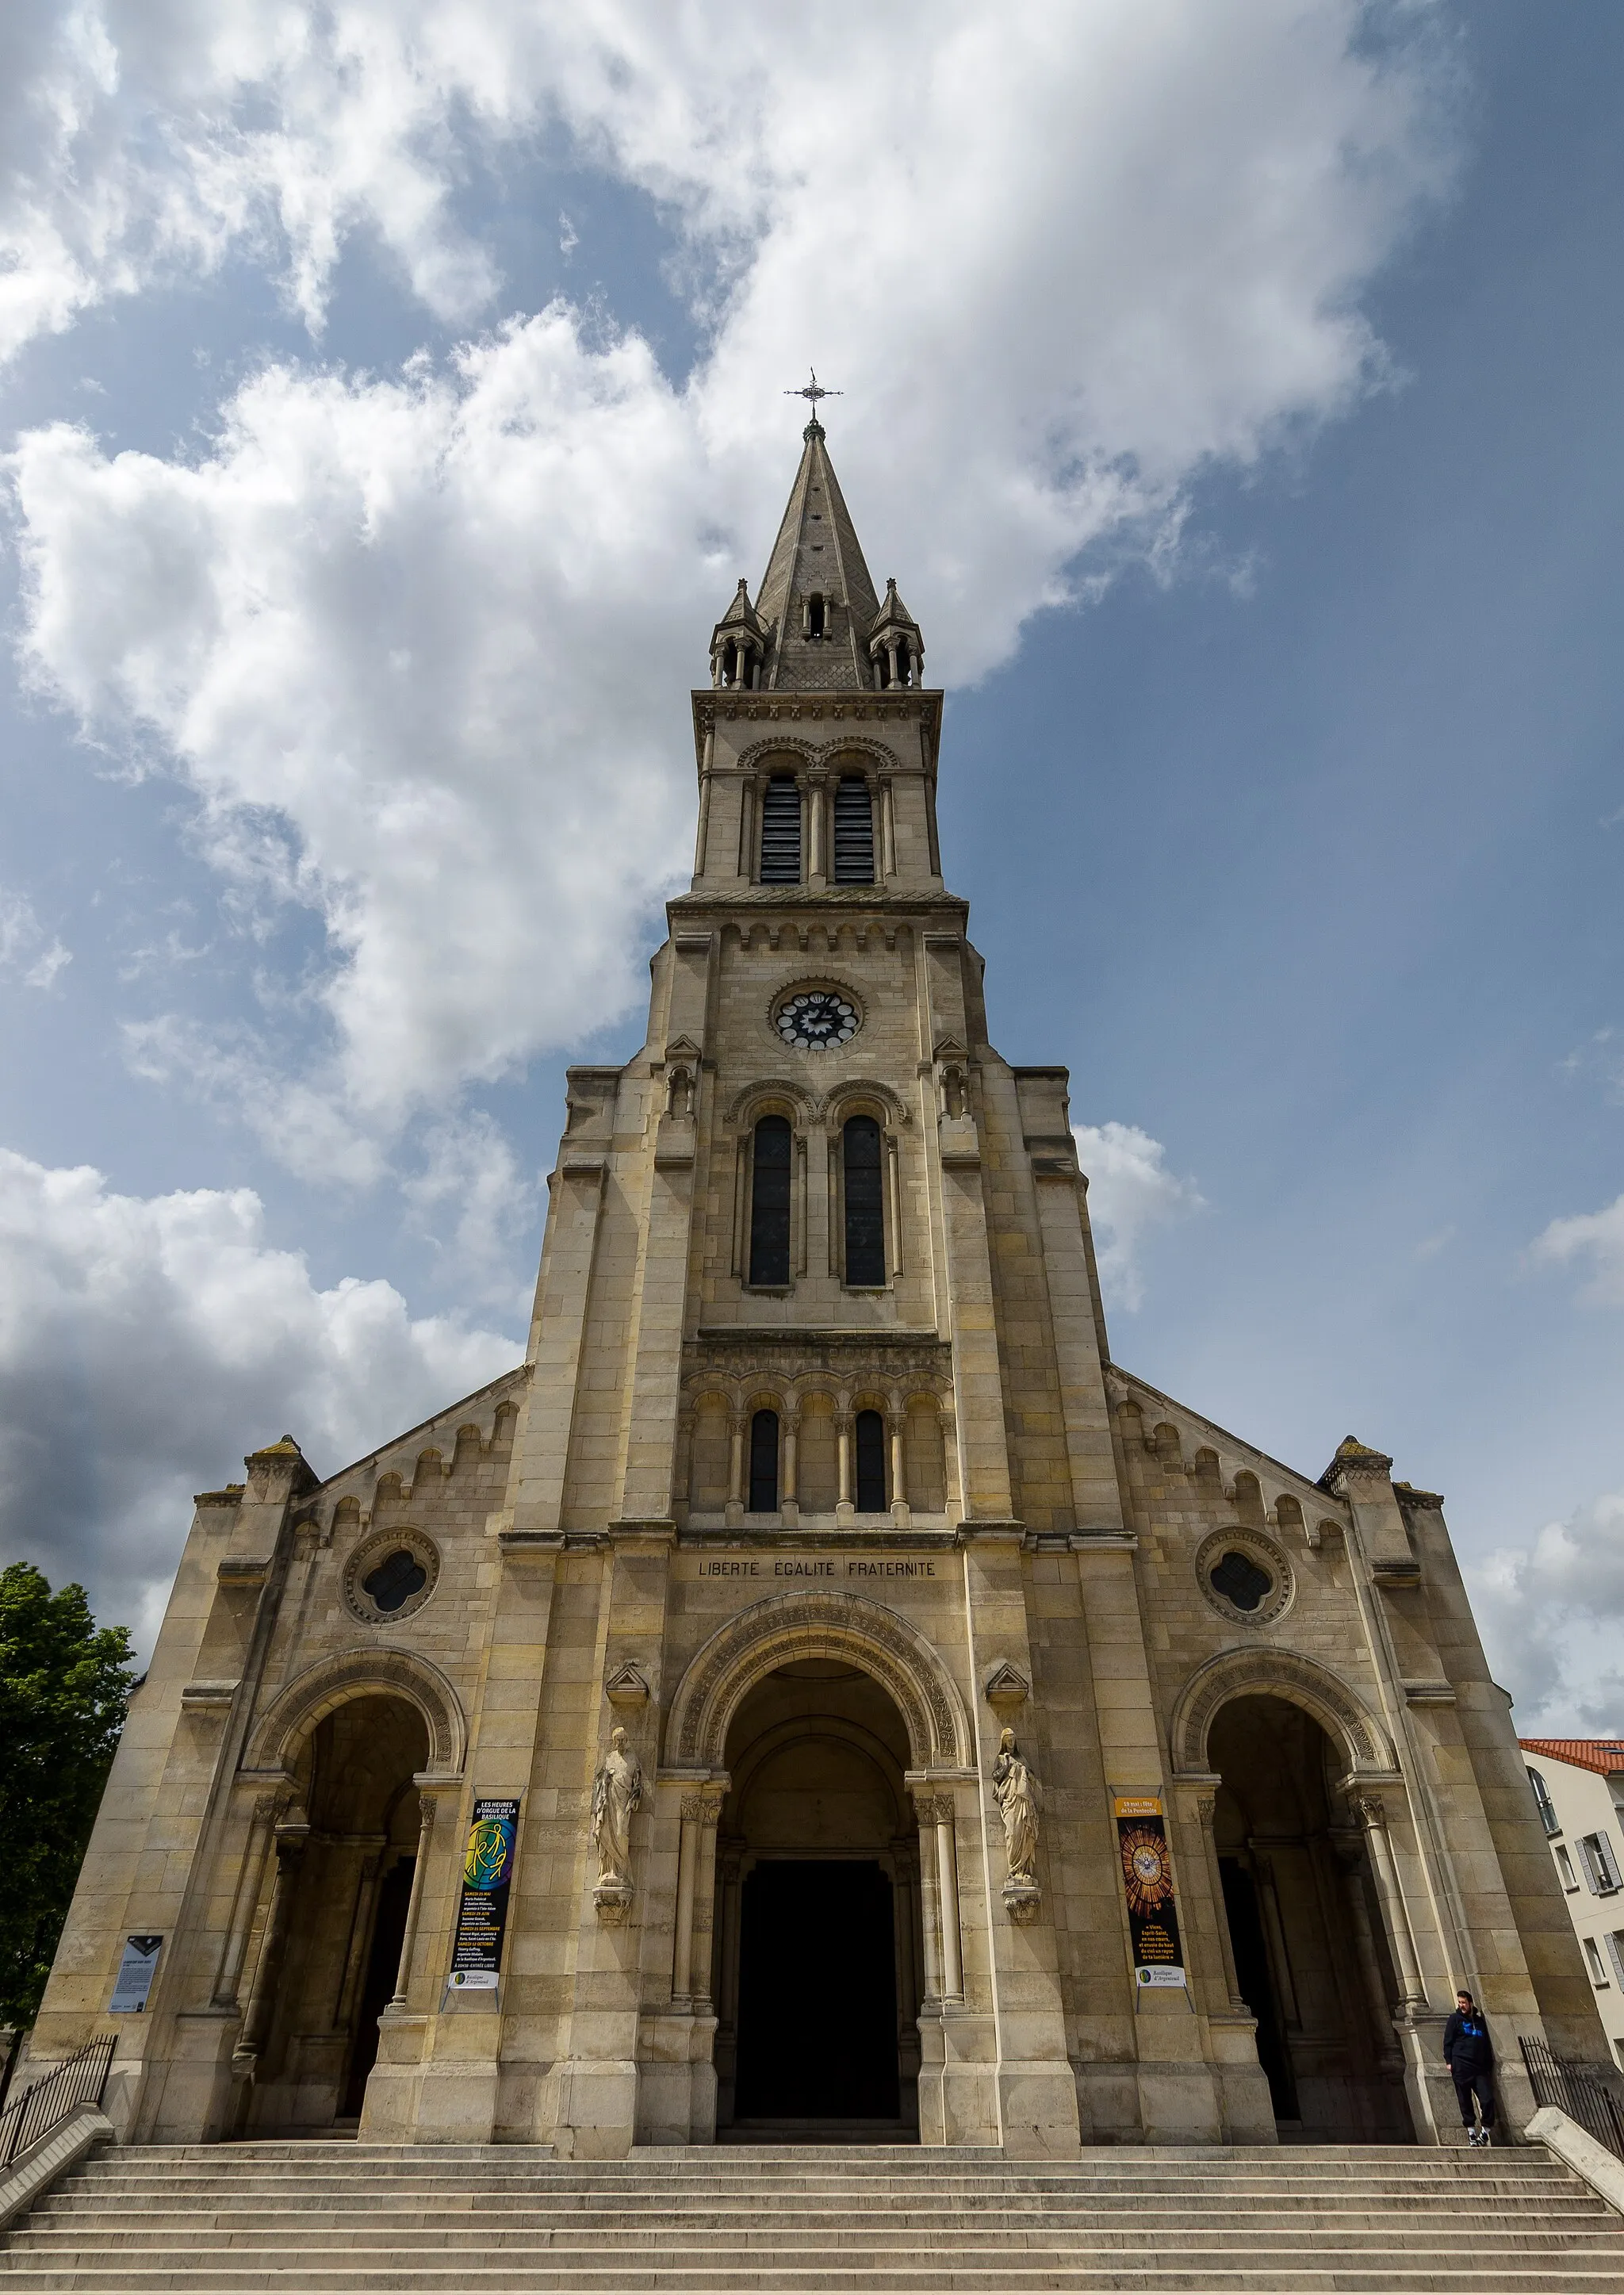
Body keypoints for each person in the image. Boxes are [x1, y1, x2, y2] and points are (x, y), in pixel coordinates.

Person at [1442, 1987, 1496, 2146]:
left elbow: (1486, 2044)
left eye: (1464, 2003)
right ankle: (1471, 2132)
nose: (1462, 2006)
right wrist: (1449, 2062)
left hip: (1479, 2068)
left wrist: (1487, 2064)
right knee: (1465, 2100)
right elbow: (1448, 2042)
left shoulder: (1479, 2021)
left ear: (1471, 2003)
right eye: (1459, 2002)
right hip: (1461, 2066)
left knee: (1487, 2100)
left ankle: (1486, 2131)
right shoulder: (1454, 2019)